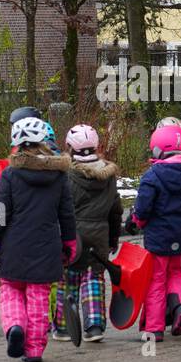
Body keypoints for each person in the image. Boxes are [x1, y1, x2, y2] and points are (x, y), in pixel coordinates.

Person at [0, 117, 78, 362]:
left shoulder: (10, 175)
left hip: (13, 246)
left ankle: (15, 326)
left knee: (11, 290)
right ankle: (35, 349)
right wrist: (69, 243)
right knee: (39, 297)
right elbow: (66, 214)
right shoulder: (58, 176)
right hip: (47, 247)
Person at [128, 123, 181, 340]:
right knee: (176, 272)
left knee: (156, 279)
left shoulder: (153, 176)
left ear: (158, 149)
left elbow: (143, 208)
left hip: (159, 237)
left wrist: (137, 221)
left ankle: (154, 327)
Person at [58, 124, 122, 342]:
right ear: (96, 146)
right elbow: (115, 209)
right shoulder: (108, 175)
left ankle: (64, 326)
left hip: (72, 234)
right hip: (99, 234)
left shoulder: (65, 175)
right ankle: (94, 325)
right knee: (93, 277)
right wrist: (113, 238)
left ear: (69, 147)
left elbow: (60, 207)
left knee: (68, 278)